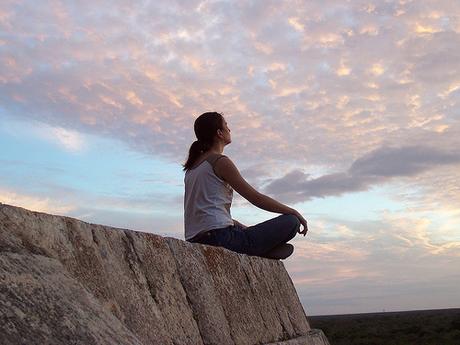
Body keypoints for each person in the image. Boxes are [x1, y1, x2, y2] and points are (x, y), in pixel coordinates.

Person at [183, 112, 308, 260]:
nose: (229, 130)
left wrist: (246, 229)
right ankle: (261, 249)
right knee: (291, 222)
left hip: (196, 239)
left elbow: (211, 216)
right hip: (220, 238)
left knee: (242, 229)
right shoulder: (219, 162)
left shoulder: (192, 169)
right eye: (226, 126)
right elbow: (255, 198)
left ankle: (260, 247)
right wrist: (293, 212)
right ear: (219, 133)